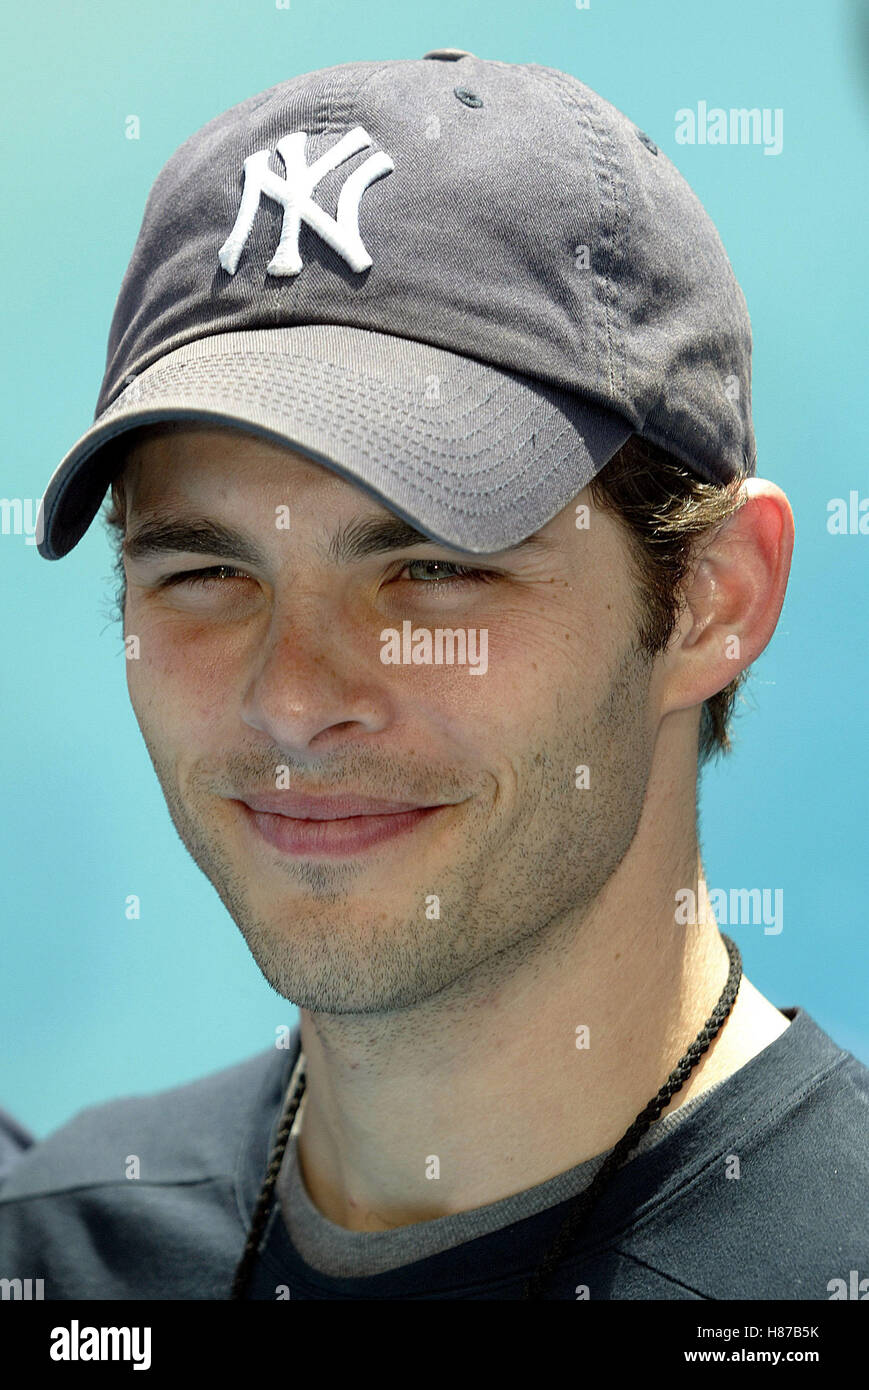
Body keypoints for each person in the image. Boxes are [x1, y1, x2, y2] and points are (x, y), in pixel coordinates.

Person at [2, 50, 866, 1301]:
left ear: (709, 599)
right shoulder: (55, 1256)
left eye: (428, 568)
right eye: (204, 572)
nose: (294, 698)